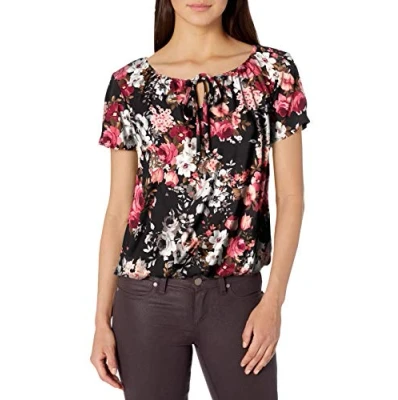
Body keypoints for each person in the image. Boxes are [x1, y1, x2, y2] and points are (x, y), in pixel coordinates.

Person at [90, 0, 310, 399]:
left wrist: (273, 302)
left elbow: (292, 197)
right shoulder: (129, 84)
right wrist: (101, 321)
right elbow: (118, 210)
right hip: (145, 301)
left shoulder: (272, 72)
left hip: (237, 300)